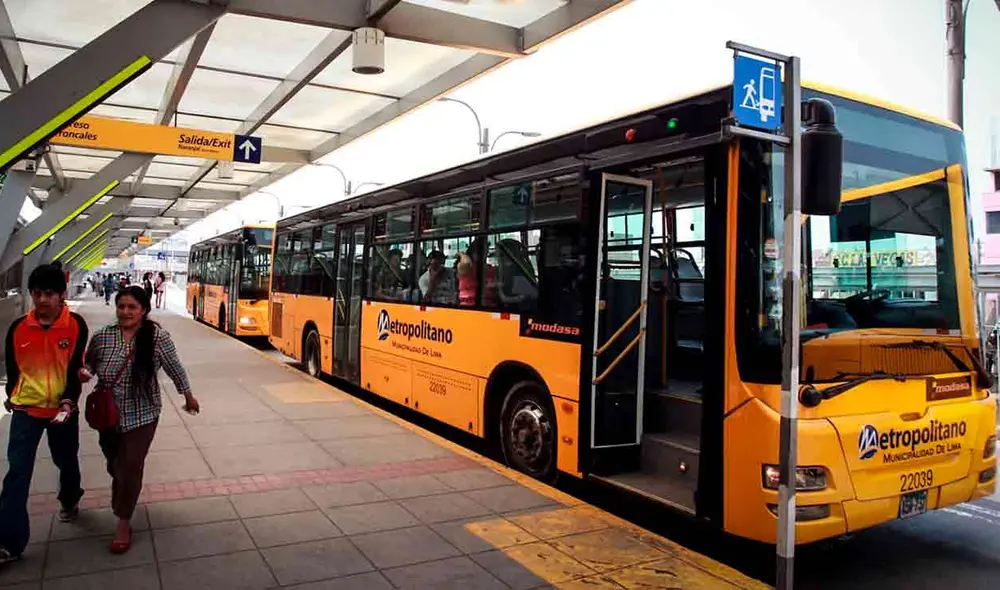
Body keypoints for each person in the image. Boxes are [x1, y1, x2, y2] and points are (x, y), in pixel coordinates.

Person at [79, 285, 198, 554]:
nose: (125, 312)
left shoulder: (157, 338)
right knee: (115, 465)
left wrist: (188, 395)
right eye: (121, 306)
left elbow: (174, 366)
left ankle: (123, 520)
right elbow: (90, 363)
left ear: (144, 310)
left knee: (130, 465)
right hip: (108, 414)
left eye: (132, 307)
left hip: (143, 414)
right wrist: (85, 372)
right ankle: (123, 489)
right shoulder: (103, 336)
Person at [0, 264, 89, 566]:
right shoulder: (18, 329)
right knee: (17, 474)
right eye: (37, 294)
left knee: (66, 460)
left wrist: (68, 401)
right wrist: (13, 397)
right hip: (26, 410)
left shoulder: (75, 325)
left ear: (62, 295)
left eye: (49, 294)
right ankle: (9, 543)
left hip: (62, 410)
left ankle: (70, 497)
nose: (42, 300)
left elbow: (76, 369)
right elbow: (13, 370)